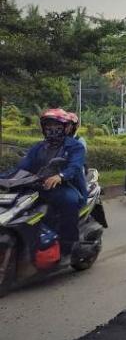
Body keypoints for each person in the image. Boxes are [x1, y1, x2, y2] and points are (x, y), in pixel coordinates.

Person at [0, 109, 87, 256]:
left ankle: (69, 245)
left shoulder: (75, 146)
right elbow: (22, 167)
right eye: (48, 125)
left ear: (66, 128)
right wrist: (4, 178)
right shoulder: (38, 147)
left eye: (56, 125)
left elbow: (75, 166)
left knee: (69, 202)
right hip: (40, 185)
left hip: (67, 185)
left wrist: (60, 176)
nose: (52, 129)